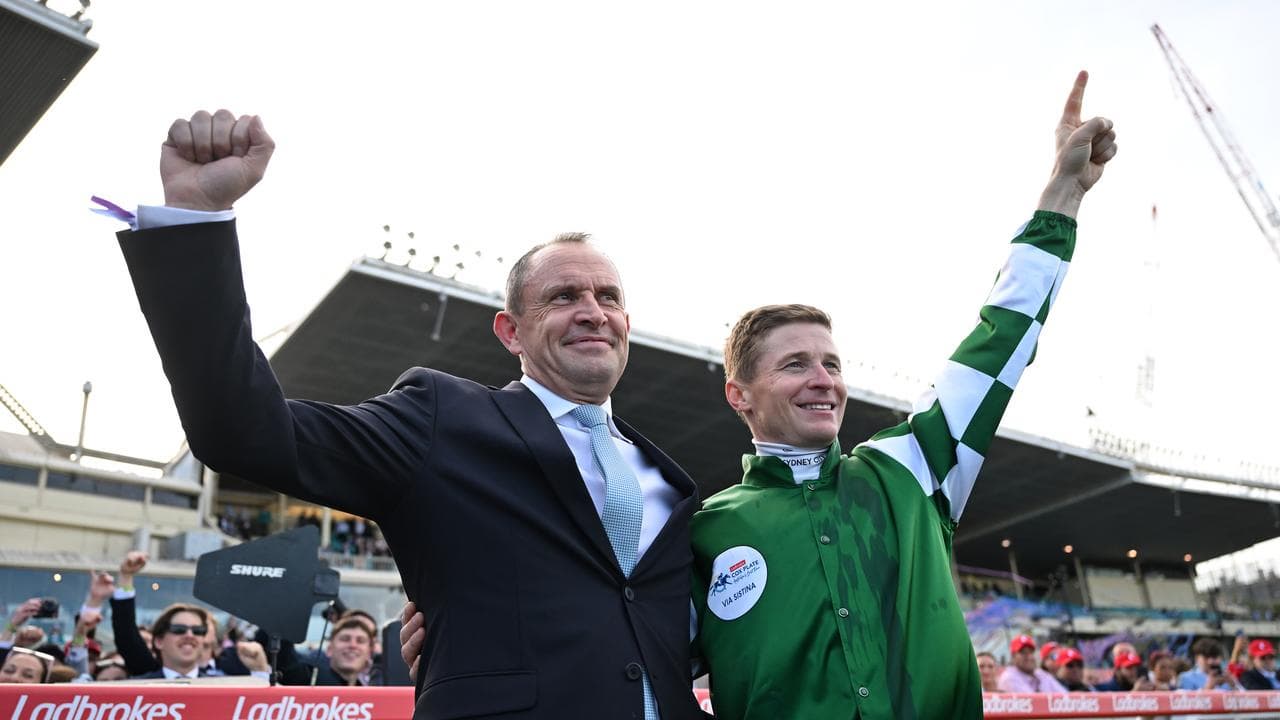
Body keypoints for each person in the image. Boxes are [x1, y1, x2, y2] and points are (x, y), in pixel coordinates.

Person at [115, 109, 703, 720]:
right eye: (562, 297)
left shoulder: (674, 484)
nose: (591, 310)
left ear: (625, 325)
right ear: (511, 331)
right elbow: (243, 430)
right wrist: (193, 219)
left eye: (608, 297)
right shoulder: (442, 419)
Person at [690, 72, 1112, 719]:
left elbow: (1000, 339)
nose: (823, 379)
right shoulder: (706, 530)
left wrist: (1062, 195)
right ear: (739, 394)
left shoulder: (912, 463)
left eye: (831, 363)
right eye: (795, 364)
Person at [999, 636, 1070, 694]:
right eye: (1023, 653)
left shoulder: (1040, 674)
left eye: (1031, 652)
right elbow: (1033, 702)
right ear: (1013, 656)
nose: (1029, 657)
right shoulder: (1009, 677)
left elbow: (1065, 696)